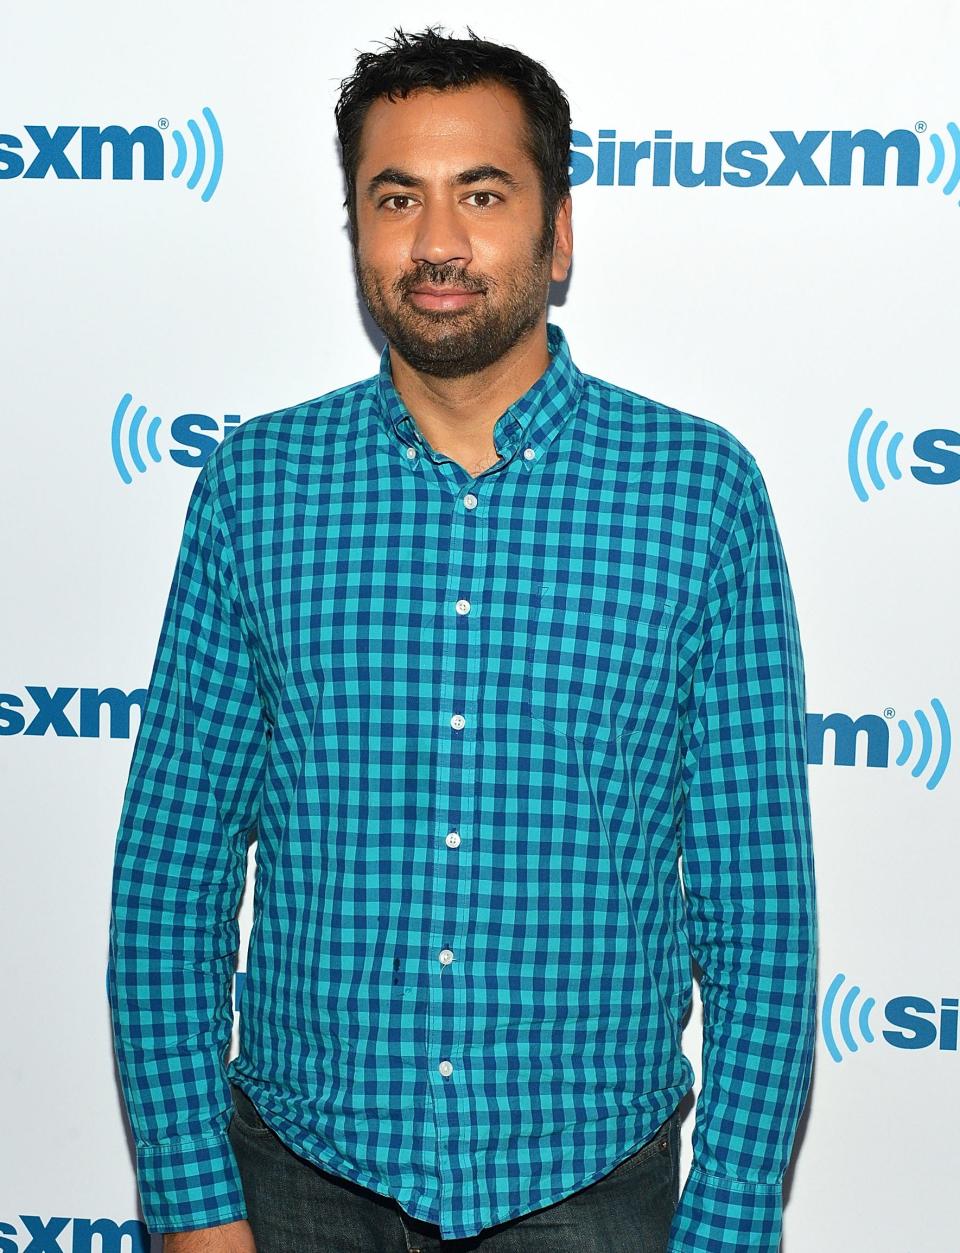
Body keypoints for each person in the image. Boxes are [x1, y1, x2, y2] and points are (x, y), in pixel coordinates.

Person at [107, 25, 818, 1253]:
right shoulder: (257, 487)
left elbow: (758, 903)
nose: (438, 243)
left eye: (482, 194)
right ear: (357, 232)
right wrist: (190, 1197)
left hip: (590, 1187)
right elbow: (172, 872)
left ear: (559, 232)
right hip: (298, 1181)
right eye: (398, 199)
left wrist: (736, 1211)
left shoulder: (699, 493)